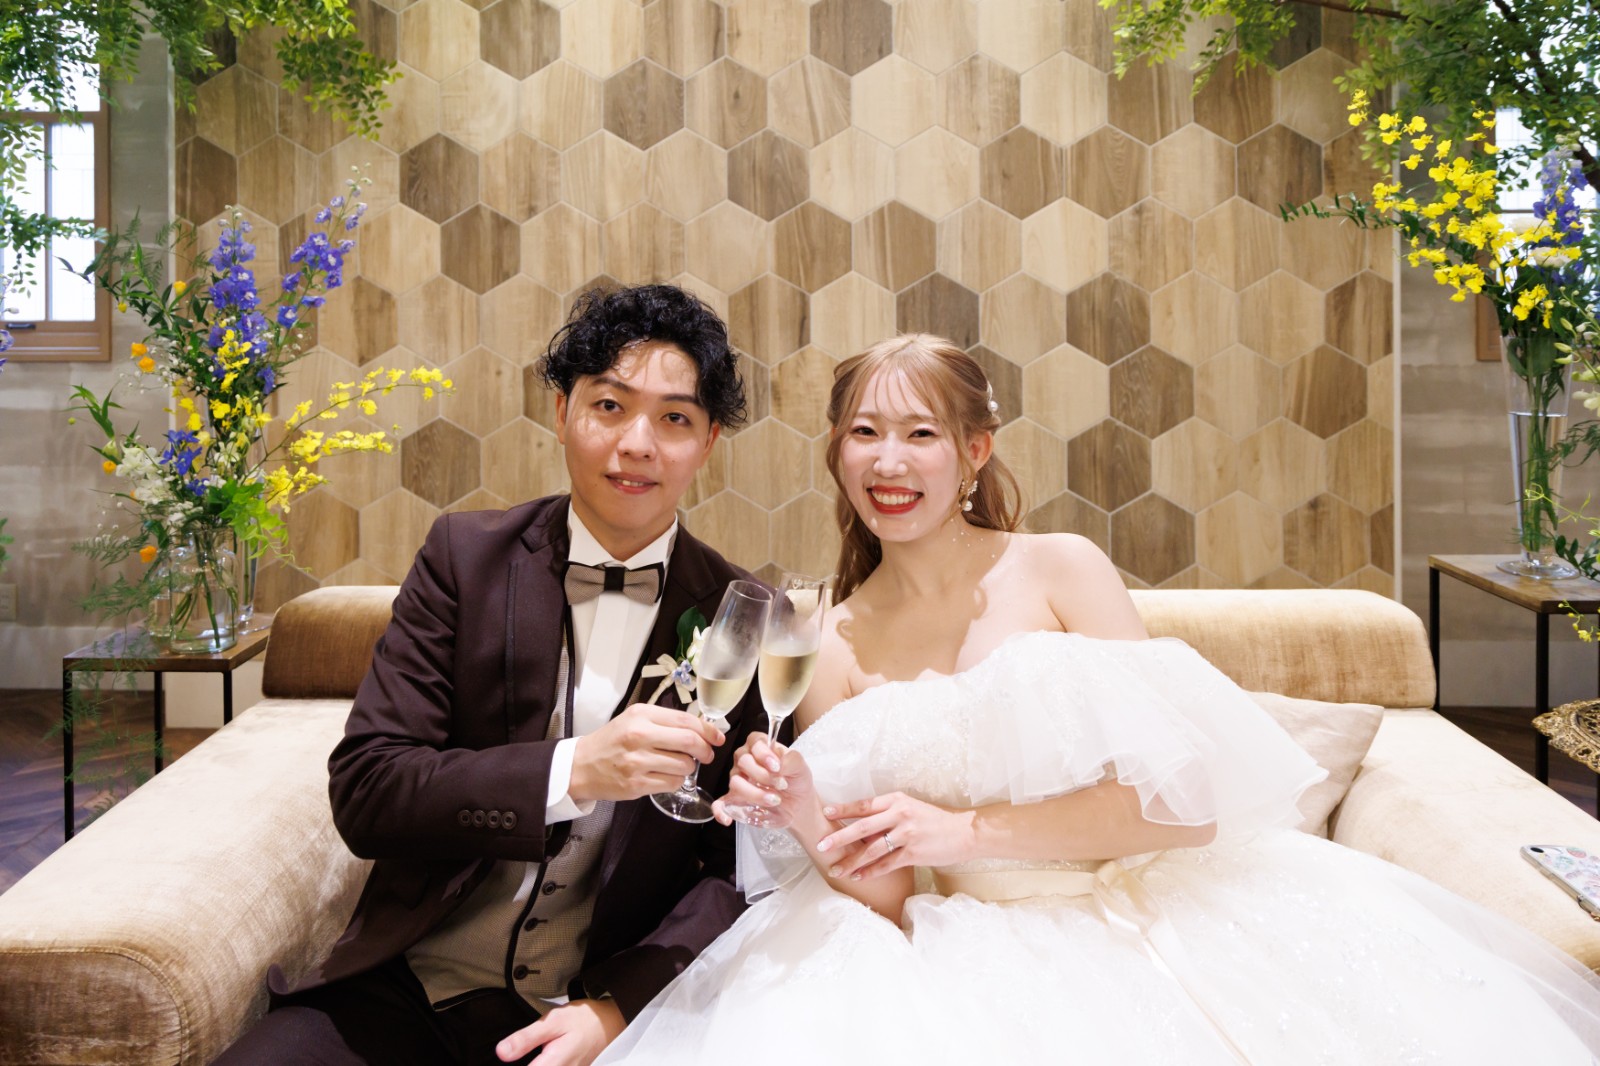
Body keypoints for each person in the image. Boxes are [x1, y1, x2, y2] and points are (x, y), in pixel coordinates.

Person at [597, 333, 1600, 1065]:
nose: (888, 461)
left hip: (1148, 916)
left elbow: (1185, 803)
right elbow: (888, 893)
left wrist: (962, 831)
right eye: (864, 433)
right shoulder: (819, 637)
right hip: (955, 954)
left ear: (975, 451)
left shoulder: (1060, 570)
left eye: (919, 433)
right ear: (836, 451)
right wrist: (807, 812)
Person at [215, 284, 766, 1066]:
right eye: (610, 406)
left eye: (674, 418)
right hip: (408, 991)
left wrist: (619, 1007)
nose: (638, 443)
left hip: (596, 1020)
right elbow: (368, 789)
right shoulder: (464, 560)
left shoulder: (741, 616)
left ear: (708, 442)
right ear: (562, 412)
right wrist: (574, 769)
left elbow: (738, 865)